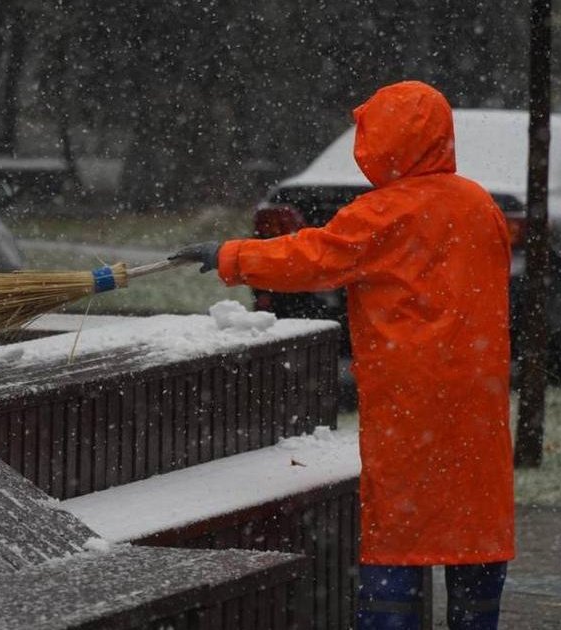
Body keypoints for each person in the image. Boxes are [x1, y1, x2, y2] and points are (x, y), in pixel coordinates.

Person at [173, 80, 514, 630]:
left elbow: (310, 257)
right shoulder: (480, 205)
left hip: (410, 406)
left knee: (400, 538)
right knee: (474, 529)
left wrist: (230, 256)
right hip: (478, 403)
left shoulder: (381, 214)